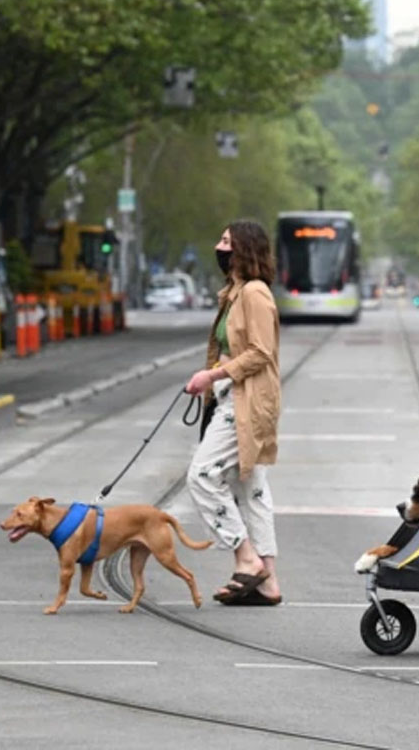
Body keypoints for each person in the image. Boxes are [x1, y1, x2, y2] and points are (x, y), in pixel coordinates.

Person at [185, 219, 283, 606]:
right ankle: (268, 583)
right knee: (251, 489)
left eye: (226, 241)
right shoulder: (235, 292)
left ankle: (247, 559)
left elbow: (260, 352)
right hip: (230, 395)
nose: (218, 246)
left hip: (247, 400)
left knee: (203, 476)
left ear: (243, 249)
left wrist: (212, 373)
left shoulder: (256, 294)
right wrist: (212, 380)